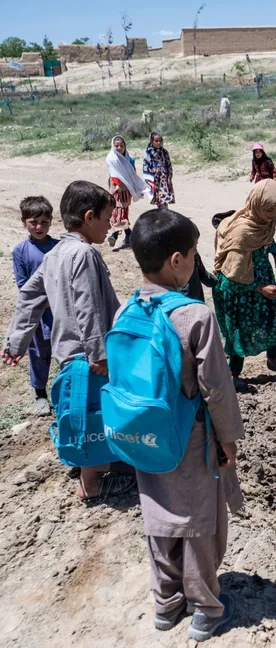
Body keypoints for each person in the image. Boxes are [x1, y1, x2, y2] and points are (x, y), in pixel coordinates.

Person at [124, 209, 243, 641]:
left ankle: (165, 603)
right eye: (193, 254)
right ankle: (205, 609)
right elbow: (217, 388)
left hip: (143, 437)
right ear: (177, 260)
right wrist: (228, 439)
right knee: (197, 521)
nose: (195, 261)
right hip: (190, 437)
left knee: (158, 514)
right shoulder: (195, 316)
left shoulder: (126, 310)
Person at [3, 180, 135, 500]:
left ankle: (87, 460)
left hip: (70, 354)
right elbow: (87, 305)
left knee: (81, 409)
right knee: (93, 413)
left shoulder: (55, 253)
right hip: (88, 354)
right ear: (89, 217)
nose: (110, 225)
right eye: (107, 218)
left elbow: (29, 297)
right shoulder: (84, 253)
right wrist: (99, 352)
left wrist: (16, 341)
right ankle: (92, 484)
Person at [212, 180, 276, 390]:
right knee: (239, 331)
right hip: (239, 289)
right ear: (256, 203)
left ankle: (273, 360)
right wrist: (259, 288)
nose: (272, 214)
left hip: (262, 282)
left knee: (274, 321)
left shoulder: (263, 223)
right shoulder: (241, 232)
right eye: (268, 209)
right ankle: (232, 374)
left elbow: (265, 238)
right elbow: (231, 276)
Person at [12, 196, 58, 416]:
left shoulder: (59, 247)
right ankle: (40, 395)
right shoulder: (19, 251)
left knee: (66, 351)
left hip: (60, 312)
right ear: (24, 222)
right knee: (38, 352)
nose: (39, 227)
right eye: (33, 222)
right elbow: (23, 286)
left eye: (44, 222)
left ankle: (67, 391)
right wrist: (45, 302)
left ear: (51, 222)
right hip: (37, 314)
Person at [106, 135, 152, 250]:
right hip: (115, 190)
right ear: (112, 146)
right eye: (116, 146)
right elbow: (114, 174)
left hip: (126, 190)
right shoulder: (111, 159)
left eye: (121, 146)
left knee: (122, 212)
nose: (119, 148)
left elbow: (132, 174)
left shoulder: (129, 160)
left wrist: (134, 187)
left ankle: (117, 235)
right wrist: (117, 186)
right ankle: (126, 234)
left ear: (125, 147)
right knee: (116, 211)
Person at [142, 131, 175, 209]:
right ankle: (162, 212)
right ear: (151, 141)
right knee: (158, 198)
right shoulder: (149, 153)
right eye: (156, 141)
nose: (158, 143)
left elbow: (169, 165)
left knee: (165, 197)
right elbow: (146, 166)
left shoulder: (164, 152)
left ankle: (165, 212)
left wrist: (169, 177)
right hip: (154, 178)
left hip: (163, 178)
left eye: (160, 141)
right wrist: (149, 181)